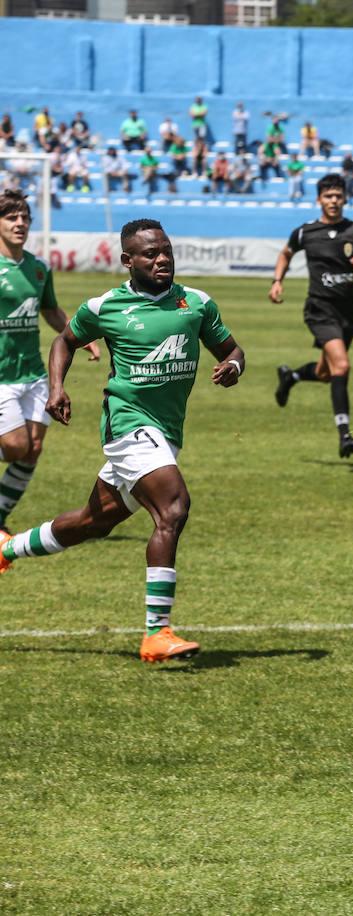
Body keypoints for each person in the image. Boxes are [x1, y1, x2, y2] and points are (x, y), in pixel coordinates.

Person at [0, 218, 244, 664]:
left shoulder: (196, 303)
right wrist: (57, 388)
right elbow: (63, 342)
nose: (162, 259)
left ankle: (5, 548)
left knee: (94, 521)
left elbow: (231, 349)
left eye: (166, 250)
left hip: (166, 432)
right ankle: (157, 632)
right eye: (151, 254)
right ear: (127, 261)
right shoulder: (106, 305)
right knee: (173, 508)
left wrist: (234, 367)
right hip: (128, 424)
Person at [0, 191, 98, 535]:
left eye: (25, 217)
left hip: (34, 373)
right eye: (11, 217)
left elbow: (51, 311)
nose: (20, 223)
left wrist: (80, 337)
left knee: (33, 450)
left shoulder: (39, 268)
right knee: (14, 447)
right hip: (1, 377)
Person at [270, 174, 353, 459]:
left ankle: (291, 376)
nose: (334, 201)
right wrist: (277, 280)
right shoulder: (305, 232)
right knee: (341, 367)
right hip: (320, 310)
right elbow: (285, 253)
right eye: (328, 196)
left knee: (325, 373)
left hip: (350, 313)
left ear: (345, 198)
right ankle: (345, 434)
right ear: (319, 199)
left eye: (338, 196)